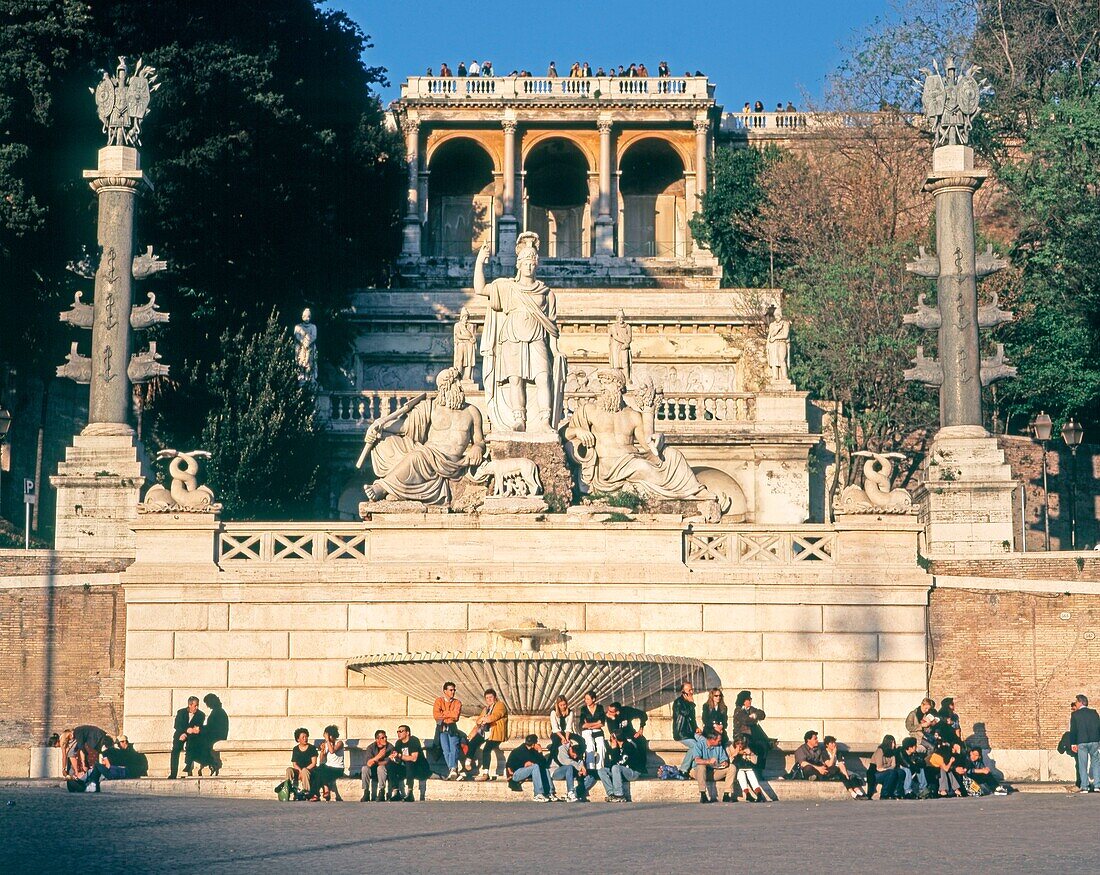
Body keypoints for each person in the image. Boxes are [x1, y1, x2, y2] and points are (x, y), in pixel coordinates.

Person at [470, 688, 508, 780]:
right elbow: (478, 721)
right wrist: (482, 719)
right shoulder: (486, 708)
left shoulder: (500, 705)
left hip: (496, 733)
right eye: (487, 698)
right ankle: (468, 762)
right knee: (472, 742)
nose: (489, 699)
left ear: (495, 697)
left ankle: (485, 773)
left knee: (486, 749)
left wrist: (484, 719)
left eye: (491, 697)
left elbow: (495, 716)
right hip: (486, 733)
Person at [691, 729, 736, 803]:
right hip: (699, 772)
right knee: (701, 766)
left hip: (714, 771)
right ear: (711, 740)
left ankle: (726, 794)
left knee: (732, 767)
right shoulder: (699, 745)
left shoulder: (719, 747)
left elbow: (723, 759)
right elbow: (697, 760)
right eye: (718, 740)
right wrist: (708, 761)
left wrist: (725, 763)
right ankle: (703, 794)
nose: (720, 742)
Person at [732, 690, 769, 777]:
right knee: (747, 746)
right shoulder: (738, 710)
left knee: (763, 747)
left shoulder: (752, 709)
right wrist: (752, 718)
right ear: (744, 701)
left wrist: (755, 716)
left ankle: (759, 771)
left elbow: (762, 714)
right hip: (741, 737)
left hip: (753, 737)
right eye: (749, 699)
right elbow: (745, 720)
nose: (750, 701)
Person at [604, 701, 648, 774]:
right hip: (617, 736)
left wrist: (641, 728)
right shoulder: (609, 717)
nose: (608, 712)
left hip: (629, 733)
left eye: (611, 711)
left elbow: (643, 714)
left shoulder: (626, 710)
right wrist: (613, 719)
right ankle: (615, 766)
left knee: (642, 740)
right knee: (617, 745)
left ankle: (642, 767)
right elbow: (614, 731)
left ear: (617, 711)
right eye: (608, 710)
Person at [506, 734, 553, 802]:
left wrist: (539, 751)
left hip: (524, 773)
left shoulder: (532, 751)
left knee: (545, 770)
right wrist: (539, 751)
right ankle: (538, 794)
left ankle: (550, 792)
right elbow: (510, 766)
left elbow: (543, 764)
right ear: (534, 744)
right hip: (515, 775)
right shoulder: (520, 751)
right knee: (536, 766)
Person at [1069, 693, 1100, 793]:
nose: (1075, 704)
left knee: (1083, 764)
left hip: (1082, 742)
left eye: (1076, 702)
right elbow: (1098, 727)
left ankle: (1085, 786)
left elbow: (1073, 730)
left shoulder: (1075, 715)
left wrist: (1073, 743)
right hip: (1094, 741)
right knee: (1096, 763)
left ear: (1080, 702)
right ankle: (1097, 786)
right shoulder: (1094, 712)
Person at [391, 725, 430, 801]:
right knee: (391, 765)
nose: (399, 733)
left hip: (420, 769)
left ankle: (410, 792)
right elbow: (399, 760)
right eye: (398, 731)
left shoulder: (413, 740)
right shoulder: (398, 743)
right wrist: (394, 758)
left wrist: (399, 755)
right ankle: (396, 792)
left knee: (409, 761)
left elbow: (414, 758)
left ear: (407, 733)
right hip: (408, 770)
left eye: (401, 731)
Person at [433, 681, 463, 780]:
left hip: (452, 727)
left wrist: (443, 713)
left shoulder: (457, 702)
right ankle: (452, 769)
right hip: (441, 728)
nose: (453, 692)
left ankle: (453, 769)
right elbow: (436, 716)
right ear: (445, 691)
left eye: (454, 690)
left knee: (454, 746)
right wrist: (449, 714)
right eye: (451, 690)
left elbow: (456, 716)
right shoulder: (438, 701)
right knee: (446, 750)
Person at [169, 697, 204, 779]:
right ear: (190, 705)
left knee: (191, 744)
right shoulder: (181, 712)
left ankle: (188, 766)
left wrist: (192, 731)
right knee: (175, 750)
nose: (197, 708)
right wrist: (184, 732)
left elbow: (198, 727)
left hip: (192, 736)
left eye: (197, 705)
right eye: (195, 706)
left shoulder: (200, 715)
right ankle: (173, 773)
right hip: (180, 734)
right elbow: (177, 725)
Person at [599, 733, 640, 802]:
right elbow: (612, 765)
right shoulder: (617, 748)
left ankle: (619, 795)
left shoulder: (629, 746)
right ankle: (611, 794)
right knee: (601, 770)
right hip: (621, 771)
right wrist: (614, 749)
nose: (610, 742)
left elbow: (621, 763)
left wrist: (614, 749)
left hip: (633, 772)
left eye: (611, 739)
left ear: (616, 739)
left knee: (615, 767)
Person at [673, 681, 701, 773]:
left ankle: (695, 767)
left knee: (703, 742)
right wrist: (692, 703)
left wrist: (696, 727)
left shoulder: (689, 703)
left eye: (692, 690)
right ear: (683, 692)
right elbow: (685, 713)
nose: (691, 692)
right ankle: (683, 769)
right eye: (689, 690)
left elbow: (692, 719)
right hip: (681, 733)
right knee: (695, 745)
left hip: (690, 732)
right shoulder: (678, 702)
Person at [551, 733, 588, 801]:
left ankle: (576, 793)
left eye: (576, 755)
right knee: (569, 767)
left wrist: (582, 769)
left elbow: (580, 761)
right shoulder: (562, 749)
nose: (575, 757)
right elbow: (567, 762)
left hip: (569, 773)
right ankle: (570, 792)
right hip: (556, 772)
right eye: (574, 755)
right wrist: (580, 767)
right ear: (570, 749)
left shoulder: (577, 752)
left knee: (589, 777)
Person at [361, 729, 395, 801]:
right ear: (377, 739)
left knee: (381, 767)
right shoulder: (371, 747)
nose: (385, 739)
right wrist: (378, 756)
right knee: (365, 768)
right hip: (373, 770)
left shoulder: (390, 747)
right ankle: (366, 792)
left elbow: (387, 762)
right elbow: (368, 764)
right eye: (382, 738)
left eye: (385, 737)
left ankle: (382, 791)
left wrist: (375, 762)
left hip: (384, 772)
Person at [314, 725, 345, 802]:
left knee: (322, 771)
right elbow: (322, 760)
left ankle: (325, 789)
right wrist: (322, 750)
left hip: (338, 768)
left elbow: (332, 751)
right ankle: (318, 793)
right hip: (329, 768)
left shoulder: (339, 743)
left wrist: (327, 741)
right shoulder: (327, 744)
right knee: (318, 770)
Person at [200, 693, 228, 776]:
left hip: (216, 737)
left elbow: (212, 727)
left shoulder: (218, 712)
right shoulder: (218, 711)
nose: (207, 706)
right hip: (216, 735)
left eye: (207, 703)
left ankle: (210, 764)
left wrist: (200, 729)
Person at [729, 736, 764, 802]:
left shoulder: (748, 748)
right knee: (741, 774)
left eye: (742, 743)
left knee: (751, 774)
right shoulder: (731, 748)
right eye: (738, 743)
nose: (740, 745)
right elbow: (730, 760)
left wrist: (751, 754)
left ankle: (759, 794)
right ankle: (747, 794)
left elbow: (755, 762)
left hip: (748, 769)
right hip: (737, 769)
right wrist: (736, 753)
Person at [578, 690, 608, 769]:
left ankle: (600, 768)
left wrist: (590, 725)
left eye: (588, 699)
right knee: (590, 745)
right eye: (585, 699)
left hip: (597, 730)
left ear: (593, 699)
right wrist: (596, 723)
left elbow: (602, 723)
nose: (586, 701)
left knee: (601, 745)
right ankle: (590, 768)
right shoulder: (583, 709)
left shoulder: (600, 708)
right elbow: (583, 725)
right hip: (587, 731)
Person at [286, 728, 317, 800]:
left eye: (306, 736)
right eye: (303, 737)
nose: (305, 739)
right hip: (299, 770)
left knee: (304, 770)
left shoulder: (312, 748)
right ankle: (287, 789)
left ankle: (307, 792)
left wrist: (303, 771)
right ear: (298, 739)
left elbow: (314, 763)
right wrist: (300, 771)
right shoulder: (295, 749)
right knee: (289, 770)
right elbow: (294, 764)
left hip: (310, 770)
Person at [868, 735, 901, 800]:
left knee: (901, 772)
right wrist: (888, 769)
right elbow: (879, 767)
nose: (894, 745)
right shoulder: (880, 751)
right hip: (875, 773)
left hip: (886, 771)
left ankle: (896, 793)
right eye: (892, 743)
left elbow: (893, 765)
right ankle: (884, 794)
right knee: (892, 773)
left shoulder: (892, 752)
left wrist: (888, 769)